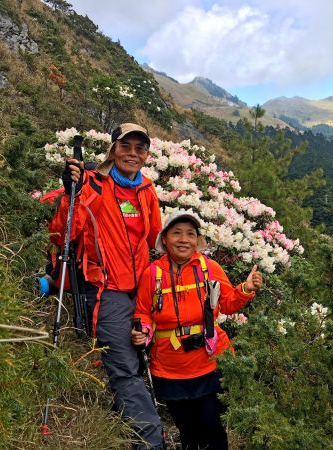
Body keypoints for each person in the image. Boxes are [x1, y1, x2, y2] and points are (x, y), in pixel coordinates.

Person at [49, 123, 164, 449]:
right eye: (126, 145)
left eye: (139, 148)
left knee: (142, 359)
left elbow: (154, 239)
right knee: (126, 368)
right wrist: (70, 195)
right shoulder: (93, 185)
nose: (132, 153)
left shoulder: (146, 190)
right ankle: (151, 442)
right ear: (113, 148)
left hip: (141, 292)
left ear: (146, 154)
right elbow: (61, 235)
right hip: (105, 291)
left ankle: (123, 420)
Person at [132, 210, 262, 450]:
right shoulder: (152, 274)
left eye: (190, 234)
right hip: (170, 369)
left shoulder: (208, 268)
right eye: (177, 233)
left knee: (213, 429)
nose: (184, 239)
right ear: (164, 239)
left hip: (209, 364)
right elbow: (143, 312)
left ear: (197, 240)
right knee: (187, 431)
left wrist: (246, 288)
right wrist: (143, 332)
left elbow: (229, 303)